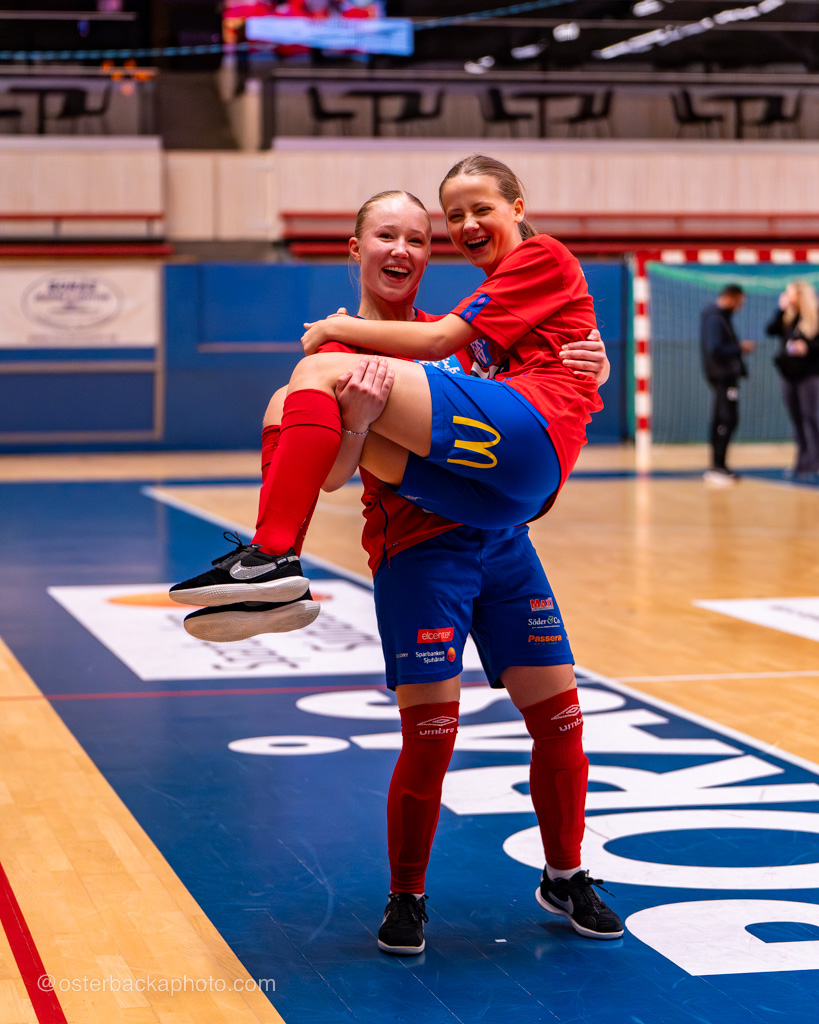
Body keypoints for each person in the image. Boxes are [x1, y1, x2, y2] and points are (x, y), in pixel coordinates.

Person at [172, 179, 623, 951]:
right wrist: (358, 424)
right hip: (418, 553)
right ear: (356, 248)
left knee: (560, 720)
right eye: (387, 236)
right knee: (431, 735)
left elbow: (530, 391)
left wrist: (595, 363)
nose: (403, 250)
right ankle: (407, 895)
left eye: (418, 238)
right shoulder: (339, 354)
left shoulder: (460, 335)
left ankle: (565, 874)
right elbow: (333, 476)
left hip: (503, 544)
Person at [700, 283, 755, 485]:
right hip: (722, 376)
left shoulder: (720, 316)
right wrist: (739, 348)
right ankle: (717, 466)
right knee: (726, 419)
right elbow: (714, 348)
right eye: (740, 302)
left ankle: (718, 465)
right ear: (731, 297)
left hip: (724, 376)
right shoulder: (715, 317)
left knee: (722, 418)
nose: (740, 306)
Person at [766, 280, 819, 480]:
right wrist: (781, 310)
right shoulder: (788, 317)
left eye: (791, 294)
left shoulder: (815, 316)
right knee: (796, 420)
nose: (788, 297)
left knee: (810, 417)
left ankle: (815, 461)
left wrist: (808, 347)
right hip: (788, 375)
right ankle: (802, 461)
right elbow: (770, 330)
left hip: (809, 375)